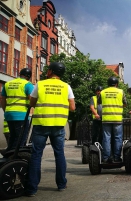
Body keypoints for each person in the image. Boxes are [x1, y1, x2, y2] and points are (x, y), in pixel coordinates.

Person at [26, 62, 75, 196]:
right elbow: (72, 107)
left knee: (36, 155)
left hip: (41, 123)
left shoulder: (40, 84)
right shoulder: (66, 86)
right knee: (59, 154)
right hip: (58, 125)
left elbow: (32, 102)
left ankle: (32, 189)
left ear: (50, 71)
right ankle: (61, 184)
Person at [1, 68, 34, 153]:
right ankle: (15, 156)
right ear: (28, 77)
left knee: (13, 135)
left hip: (9, 114)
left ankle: (9, 152)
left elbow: (2, 99)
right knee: (21, 138)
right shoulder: (27, 84)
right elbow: (32, 100)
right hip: (21, 115)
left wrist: (6, 111)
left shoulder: (7, 84)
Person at [100, 76, 127, 163]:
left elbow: (99, 102)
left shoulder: (103, 92)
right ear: (116, 84)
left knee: (106, 138)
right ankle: (117, 157)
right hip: (117, 118)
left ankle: (106, 158)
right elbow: (125, 104)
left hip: (106, 119)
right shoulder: (121, 92)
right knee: (118, 138)